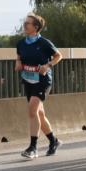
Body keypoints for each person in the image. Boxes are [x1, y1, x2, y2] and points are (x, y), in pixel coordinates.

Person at [16, 13, 62, 160]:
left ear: (36, 27)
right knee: (39, 114)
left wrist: (47, 65)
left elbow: (58, 56)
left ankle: (33, 147)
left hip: (42, 81)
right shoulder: (21, 43)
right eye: (25, 23)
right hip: (28, 80)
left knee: (32, 110)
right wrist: (18, 62)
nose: (25, 25)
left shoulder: (44, 43)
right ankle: (53, 141)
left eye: (27, 23)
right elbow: (19, 55)